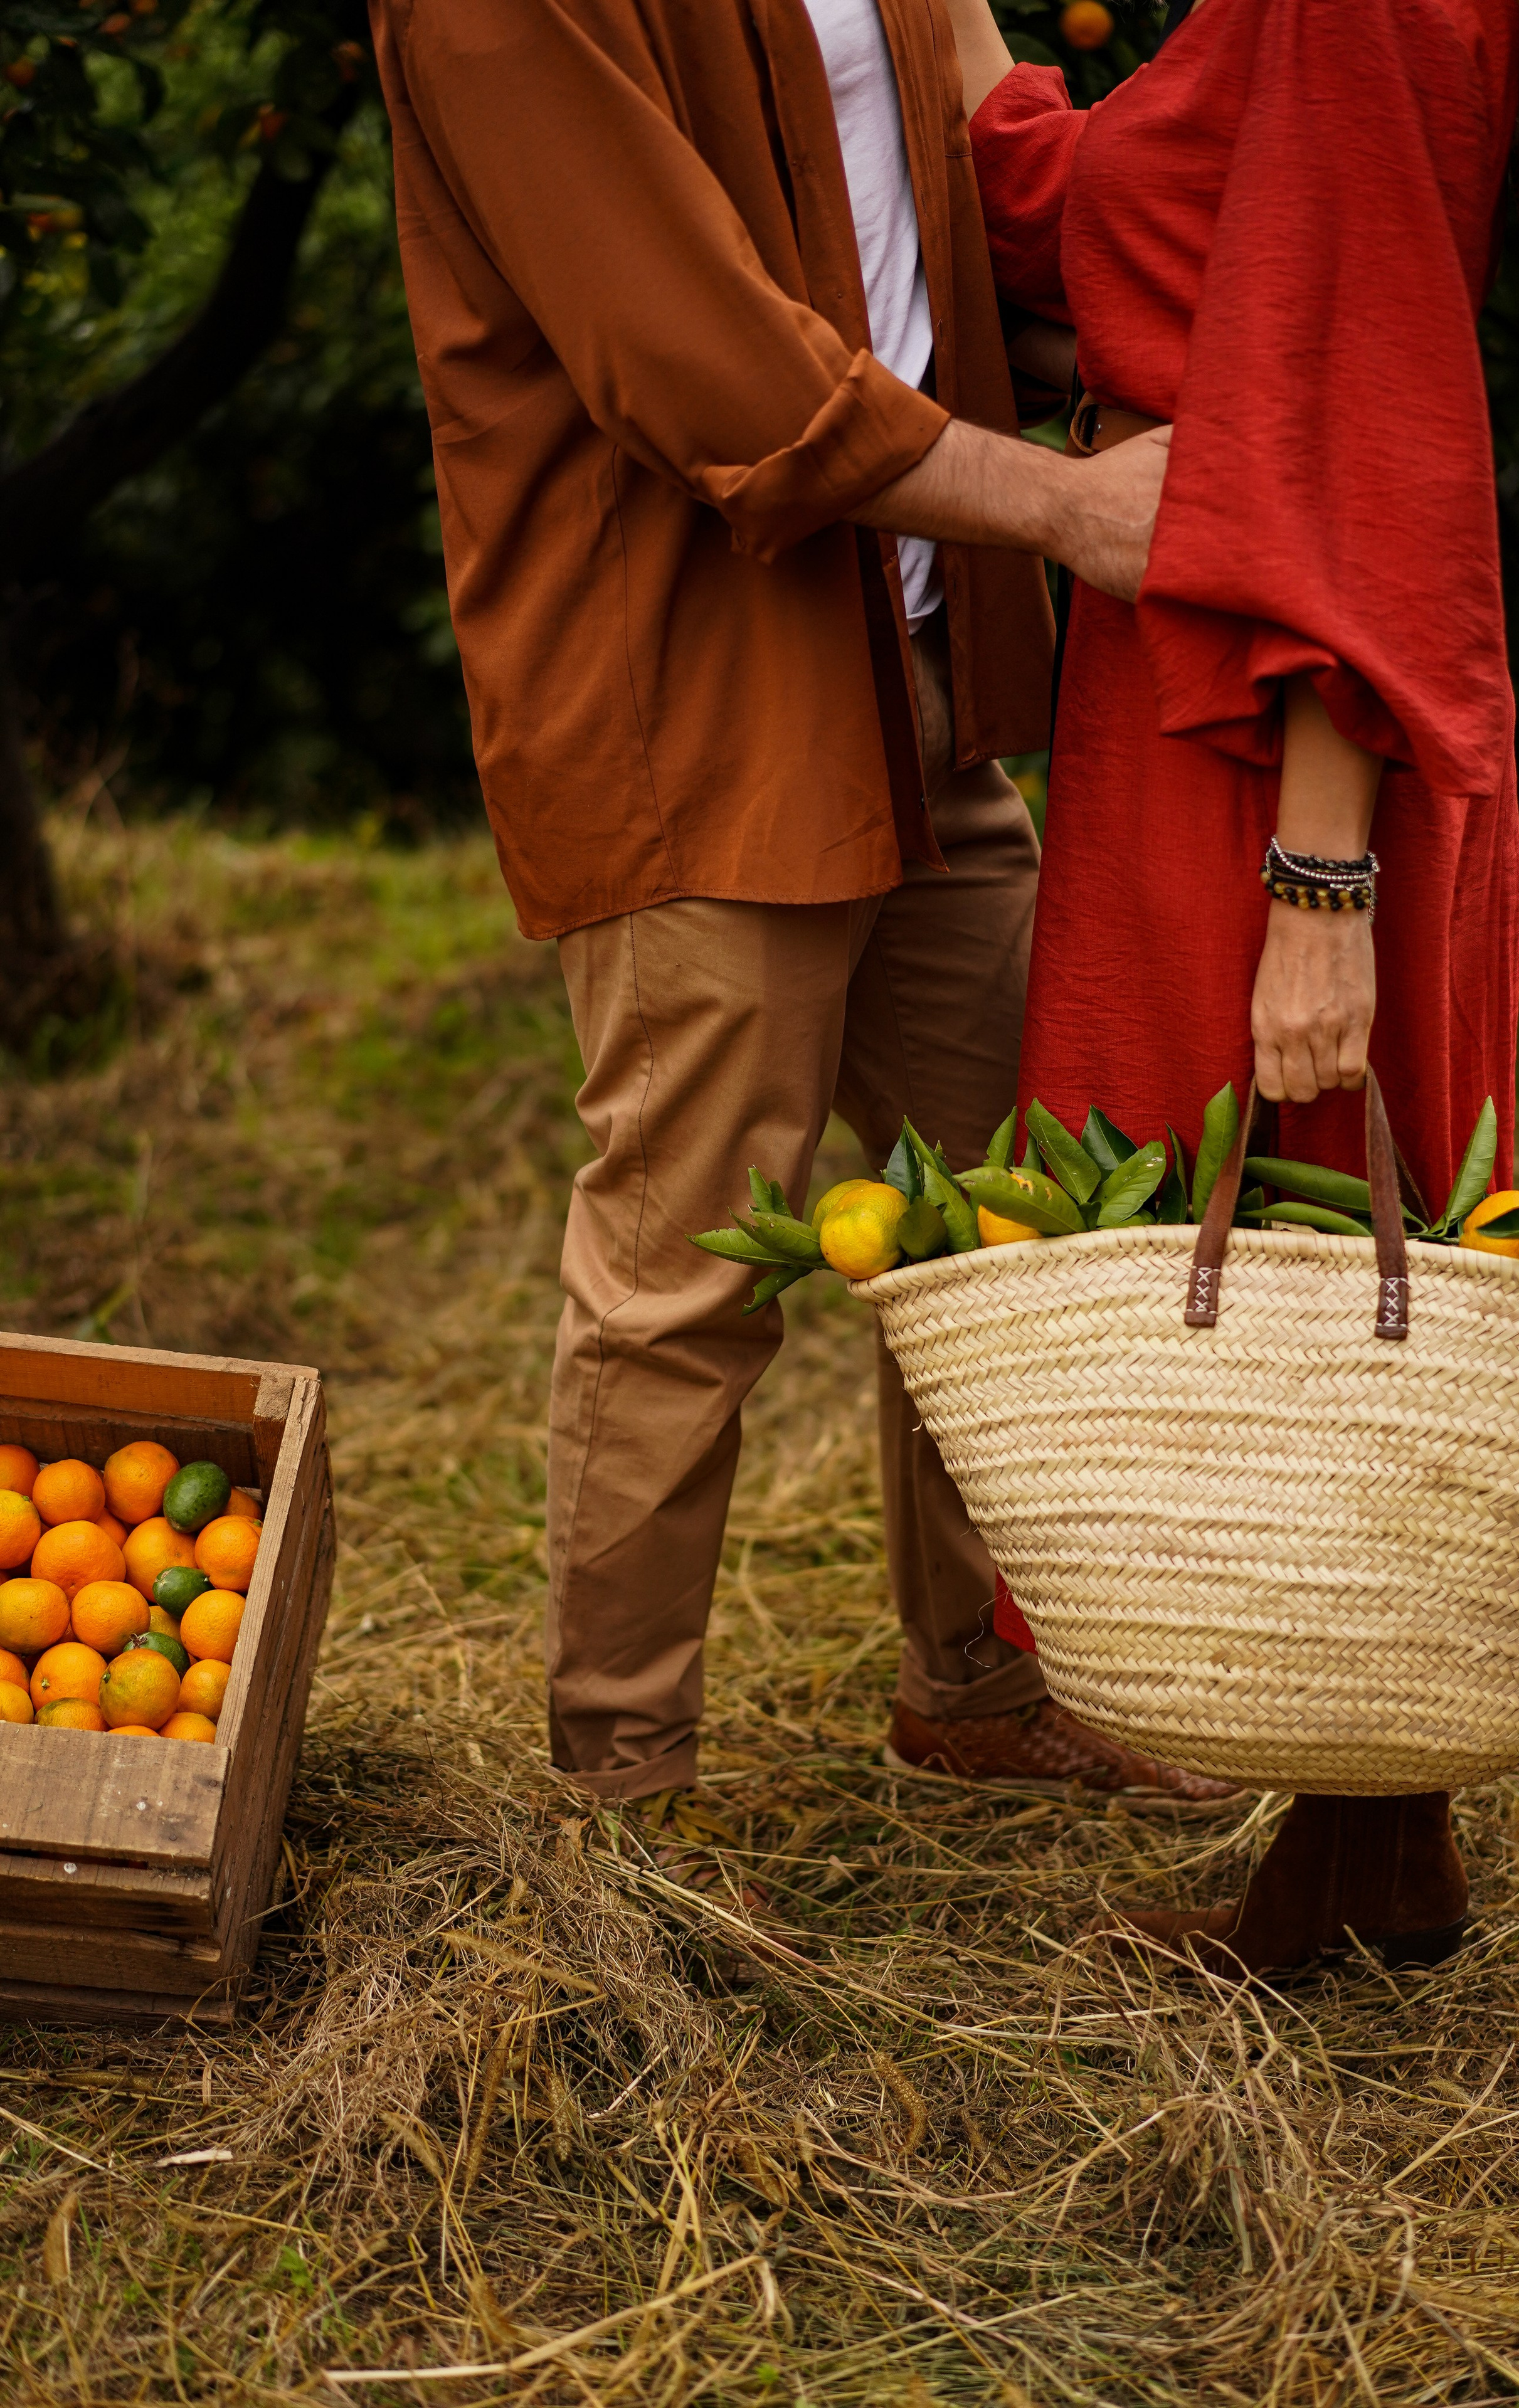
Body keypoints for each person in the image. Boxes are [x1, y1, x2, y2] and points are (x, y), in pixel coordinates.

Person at [367, 0, 1232, 1819]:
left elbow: (1008, 170)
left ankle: (981, 1681)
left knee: (1023, 1211)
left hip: (908, 664)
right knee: (693, 1266)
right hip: (700, 694)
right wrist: (1070, 509)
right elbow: (707, 373)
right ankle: (619, 1786)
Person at [941, 0, 1519, 1972]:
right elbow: (1080, 208)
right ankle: (1373, 1841)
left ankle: (1373, 1812)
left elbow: (1363, 407)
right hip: (1240, 697)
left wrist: (1323, 884)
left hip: (1293, 735)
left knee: (1323, 1233)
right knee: (1314, 1254)